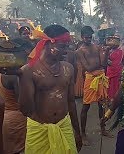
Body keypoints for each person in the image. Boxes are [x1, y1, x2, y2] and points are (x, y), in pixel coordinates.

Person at [18, 25, 82, 153]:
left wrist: (77, 131)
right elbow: (25, 110)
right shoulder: (29, 70)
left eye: (67, 46)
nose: (66, 51)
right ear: (48, 44)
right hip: (39, 130)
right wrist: (22, 78)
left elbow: (71, 102)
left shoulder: (68, 68)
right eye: (62, 46)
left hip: (64, 126)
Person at [0, 37, 32, 154]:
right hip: (16, 121)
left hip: (0, 116)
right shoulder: (14, 76)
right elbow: (23, 104)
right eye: (28, 55)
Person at [76, 26, 111, 145]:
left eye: (90, 37)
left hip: (100, 77)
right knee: (86, 107)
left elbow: (104, 63)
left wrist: (106, 52)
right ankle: (83, 134)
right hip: (91, 79)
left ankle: (102, 129)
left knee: (102, 105)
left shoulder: (96, 47)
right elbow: (88, 68)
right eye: (86, 37)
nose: (88, 39)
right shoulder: (79, 51)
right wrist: (100, 65)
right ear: (82, 37)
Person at [106, 35, 123, 99]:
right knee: (110, 86)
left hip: (116, 71)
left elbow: (119, 62)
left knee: (115, 86)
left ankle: (114, 99)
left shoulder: (120, 51)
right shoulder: (108, 50)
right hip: (110, 71)